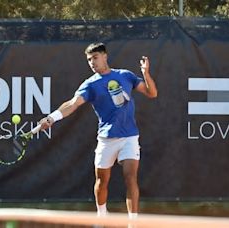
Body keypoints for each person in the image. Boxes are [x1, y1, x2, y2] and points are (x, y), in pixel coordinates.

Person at [38, 42, 158, 218]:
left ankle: (134, 222)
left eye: (95, 58)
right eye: (89, 60)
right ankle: (102, 215)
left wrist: (146, 74)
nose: (92, 62)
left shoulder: (125, 75)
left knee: (130, 177)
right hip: (106, 139)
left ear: (105, 56)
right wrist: (52, 117)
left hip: (129, 137)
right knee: (102, 181)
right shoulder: (90, 85)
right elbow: (72, 104)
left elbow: (152, 93)